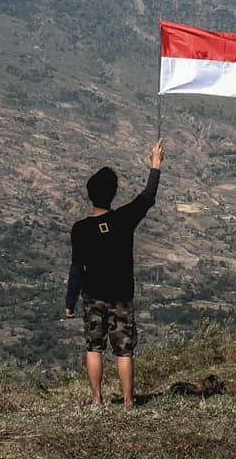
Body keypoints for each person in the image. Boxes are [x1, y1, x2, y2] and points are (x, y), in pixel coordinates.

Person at [65, 138, 164, 408]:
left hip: (93, 296)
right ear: (113, 193)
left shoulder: (80, 229)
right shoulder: (123, 219)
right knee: (124, 351)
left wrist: (69, 302)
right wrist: (155, 164)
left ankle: (97, 400)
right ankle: (129, 401)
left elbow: (76, 267)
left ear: (89, 194)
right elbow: (148, 197)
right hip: (121, 296)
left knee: (93, 348)